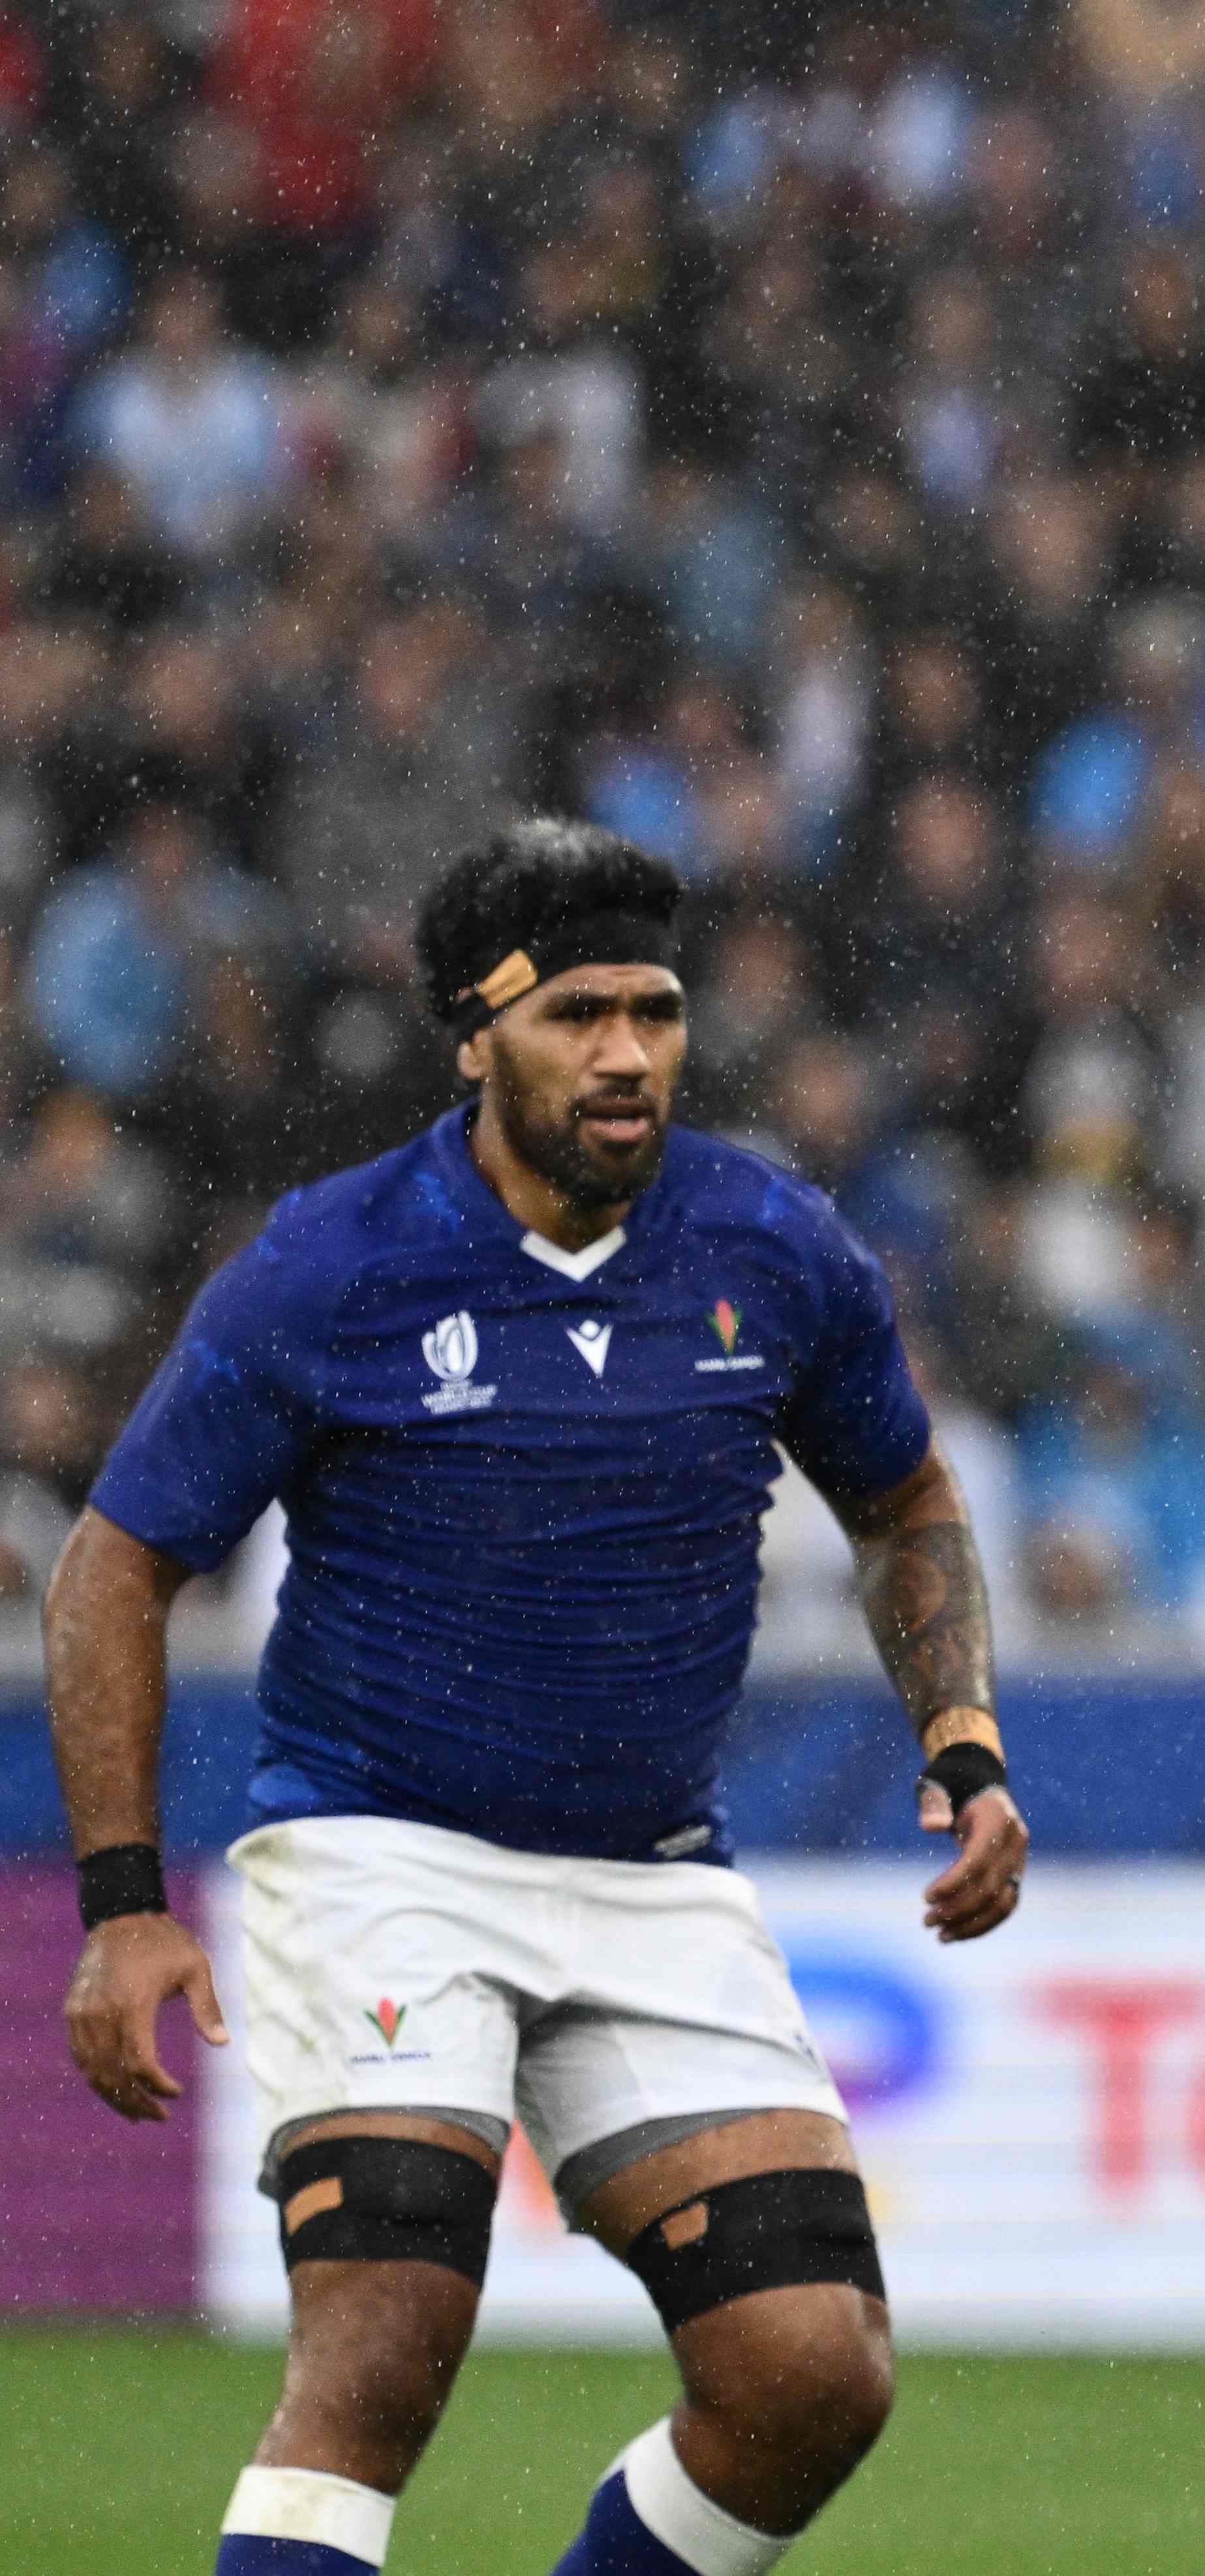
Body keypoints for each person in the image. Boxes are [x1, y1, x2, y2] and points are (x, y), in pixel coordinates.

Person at [50, 822, 1028, 2576]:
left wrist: (962, 1737)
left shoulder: (774, 1245)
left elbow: (908, 1504)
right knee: (387, 2338)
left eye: (656, 1009)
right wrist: (124, 1905)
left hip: (652, 1870)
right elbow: (114, 1566)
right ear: (475, 1033)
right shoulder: (332, 1262)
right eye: (580, 1013)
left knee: (809, 2373)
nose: (631, 1053)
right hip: (378, 1853)